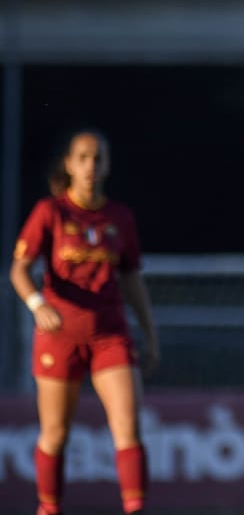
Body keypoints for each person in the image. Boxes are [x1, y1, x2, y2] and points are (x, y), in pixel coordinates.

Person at [9, 129, 159, 515]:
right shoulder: (51, 212)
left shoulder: (119, 218)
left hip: (110, 335)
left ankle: (135, 508)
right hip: (59, 338)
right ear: (70, 165)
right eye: (83, 157)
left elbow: (131, 279)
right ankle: (48, 509)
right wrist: (36, 302)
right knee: (55, 434)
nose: (91, 165)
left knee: (128, 427)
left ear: (107, 166)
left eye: (98, 158)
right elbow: (19, 270)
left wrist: (149, 332)